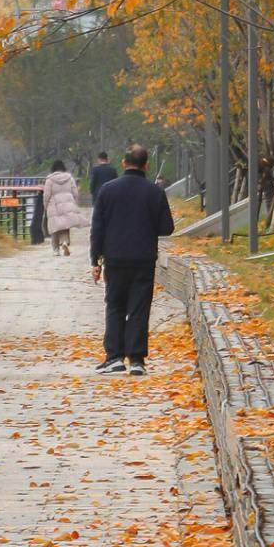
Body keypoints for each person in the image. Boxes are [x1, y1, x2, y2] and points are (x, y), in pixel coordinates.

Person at [89, 145, 175, 376]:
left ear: (124, 163)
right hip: (143, 259)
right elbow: (167, 227)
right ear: (146, 165)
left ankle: (114, 357)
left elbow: (97, 228)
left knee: (115, 305)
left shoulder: (107, 190)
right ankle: (136, 359)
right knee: (139, 308)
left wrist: (94, 261)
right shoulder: (154, 192)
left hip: (115, 259)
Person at [41, 156, 83, 258]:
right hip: (67, 205)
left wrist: (45, 206)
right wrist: (75, 204)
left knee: (55, 228)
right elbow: (75, 193)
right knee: (65, 225)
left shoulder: (49, 179)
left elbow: (46, 195)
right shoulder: (70, 178)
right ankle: (65, 242)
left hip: (54, 205)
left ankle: (56, 250)